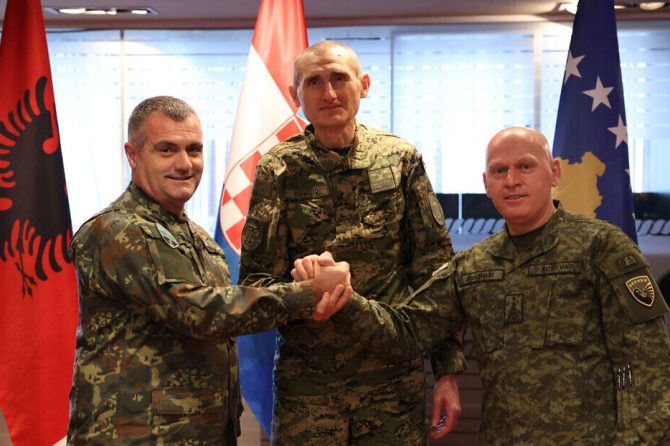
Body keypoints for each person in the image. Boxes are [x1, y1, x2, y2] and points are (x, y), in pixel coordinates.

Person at [305, 127, 670, 444]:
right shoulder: (473, 267)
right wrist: (345, 298)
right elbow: (406, 331)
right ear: (485, 184)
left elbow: (647, 366)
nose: (512, 180)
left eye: (525, 166)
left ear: (554, 172)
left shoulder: (602, 248)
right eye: (499, 170)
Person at [66, 96, 352, 444]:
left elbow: (224, 319)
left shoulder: (200, 240)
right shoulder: (116, 230)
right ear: (133, 154)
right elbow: (199, 312)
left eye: (194, 150)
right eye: (166, 150)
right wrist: (307, 293)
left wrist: (305, 275)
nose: (184, 164)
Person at [239, 41, 459, 444]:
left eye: (339, 78)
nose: (329, 93)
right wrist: (303, 291)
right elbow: (254, 282)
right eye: (314, 82)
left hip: (392, 382)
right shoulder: (279, 168)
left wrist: (447, 372)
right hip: (309, 388)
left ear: (364, 85)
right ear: (295, 95)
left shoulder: (399, 158)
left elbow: (434, 273)